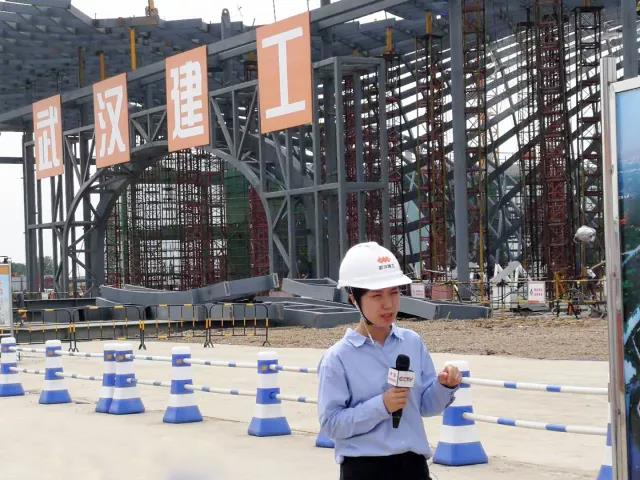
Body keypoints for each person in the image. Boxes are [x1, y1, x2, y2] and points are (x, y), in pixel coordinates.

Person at [318, 242, 461, 480]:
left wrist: (444, 386)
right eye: (377, 296)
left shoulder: (412, 342)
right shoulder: (338, 358)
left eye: (394, 292)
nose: (388, 304)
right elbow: (332, 425)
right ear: (354, 299)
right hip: (364, 470)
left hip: (413, 468)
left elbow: (426, 407)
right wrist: (382, 406)